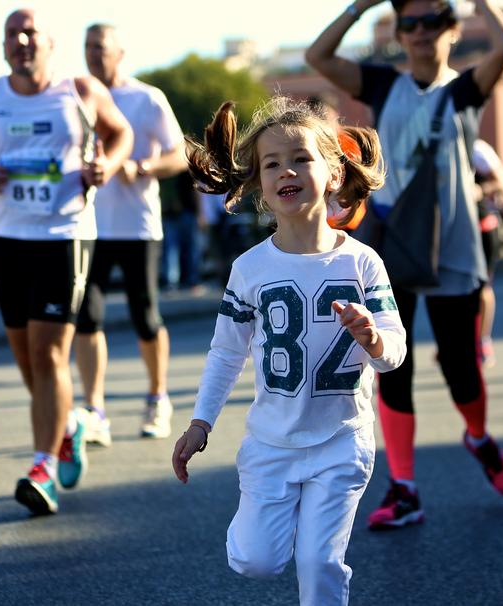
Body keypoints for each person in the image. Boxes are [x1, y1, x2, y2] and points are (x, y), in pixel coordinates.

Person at [173, 97, 404, 606]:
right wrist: (200, 423)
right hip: (272, 444)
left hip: (342, 441)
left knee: (319, 562)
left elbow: (395, 351)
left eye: (301, 158)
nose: (287, 171)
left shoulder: (363, 263)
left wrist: (375, 339)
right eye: (272, 163)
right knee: (256, 560)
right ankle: (269, 525)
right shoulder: (249, 269)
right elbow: (225, 353)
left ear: (334, 172)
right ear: (258, 183)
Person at [306, 0, 503, 529]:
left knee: (460, 368)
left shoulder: (466, 90)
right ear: (400, 33)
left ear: (452, 28)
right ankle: (404, 488)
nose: (421, 31)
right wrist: (363, 6)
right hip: (394, 248)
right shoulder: (382, 85)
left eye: (433, 21)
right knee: (390, 366)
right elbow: (318, 55)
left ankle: (478, 436)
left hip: (453, 248)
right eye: (410, 23)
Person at [0, 9, 133, 516]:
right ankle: (66, 423)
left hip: (64, 234)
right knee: (28, 360)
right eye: (12, 33)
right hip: (5, 238)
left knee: (50, 354)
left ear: (50, 43)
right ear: (3, 45)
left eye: (31, 33)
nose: (21, 40)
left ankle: (43, 468)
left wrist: (106, 165)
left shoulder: (80, 91)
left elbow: (120, 135)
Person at [75, 23, 188, 445]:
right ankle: (94, 409)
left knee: (145, 316)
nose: (93, 55)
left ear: (120, 53)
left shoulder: (146, 98)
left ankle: (158, 398)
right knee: (88, 317)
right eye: (87, 47)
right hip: (89, 225)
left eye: (101, 48)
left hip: (138, 225)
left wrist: (141, 168)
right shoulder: (76, 96)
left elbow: (181, 155)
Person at [471, 139, 503, 367]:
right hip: (451, 231)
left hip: (482, 227)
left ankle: (482, 340)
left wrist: (478, 189)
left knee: (483, 287)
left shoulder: (478, 149)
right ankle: (455, 341)